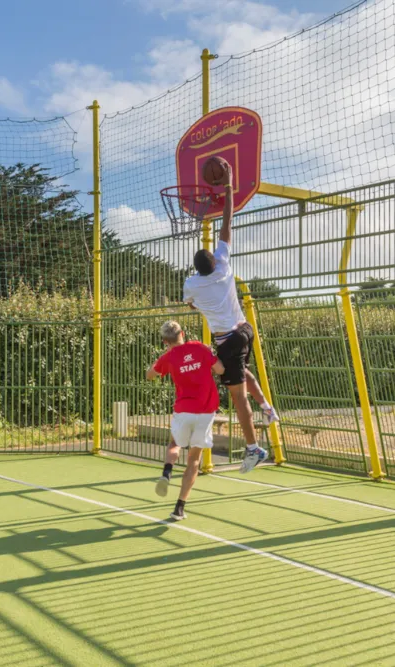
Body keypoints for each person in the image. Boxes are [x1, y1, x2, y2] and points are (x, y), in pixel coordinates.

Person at [182, 158, 279, 474]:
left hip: (227, 339)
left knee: (238, 400)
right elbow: (226, 224)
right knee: (242, 373)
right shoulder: (223, 265)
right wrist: (228, 184)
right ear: (214, 258)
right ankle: (268, 407)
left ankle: (254, 449)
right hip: (245, 330)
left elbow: (190, 305)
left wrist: (201, 305)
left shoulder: (191, 284)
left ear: (197, 268)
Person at [146, 320, 224, 521]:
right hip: (206, 411)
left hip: (184, 409)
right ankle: (179, 507)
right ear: (182, 332)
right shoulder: (199, 347)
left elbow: (149, 375)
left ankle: (167, 472)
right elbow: (221, 370)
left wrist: (156, 365)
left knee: (174, 443)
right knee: (194, 459)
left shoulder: (168, 357)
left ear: (165, 341)